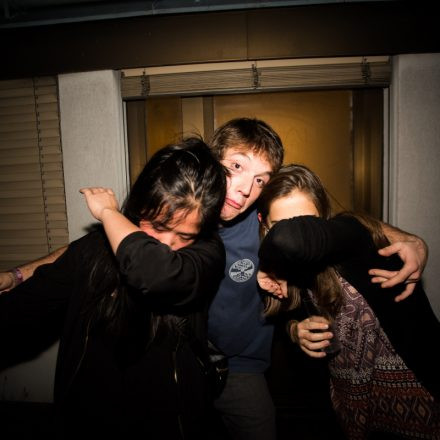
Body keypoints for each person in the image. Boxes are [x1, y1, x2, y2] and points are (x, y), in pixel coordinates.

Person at [0, 118, 430, 440]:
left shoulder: (259, 226)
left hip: (240, 367)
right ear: (211, 162)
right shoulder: (170, 210)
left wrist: (404, 237)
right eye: (236, 167)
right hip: (182, 360)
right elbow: (94, 248)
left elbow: (322, 221)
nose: (244, 188)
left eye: (259, 179)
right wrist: (21, 274)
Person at [0, 138, 227, 439]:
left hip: (168, 420)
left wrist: (108, 212)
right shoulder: (96, 248)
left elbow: (154, 271)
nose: (167, 244)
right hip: (93, 415)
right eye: (158, 226)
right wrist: (15, 277)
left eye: (185, 236)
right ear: (139, 207)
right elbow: (27, 305)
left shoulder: (209, 254)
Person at [256, 163, 440, 440]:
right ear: (263, 223)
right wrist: (295, 331)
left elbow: (294, 238)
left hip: (419, 393)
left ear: (324, 218)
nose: (302, 232)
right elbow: (288, 318)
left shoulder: (353, 239)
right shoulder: (284, 277)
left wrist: (267, 259)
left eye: (309, 221)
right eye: (279, 224)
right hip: (351, 402)